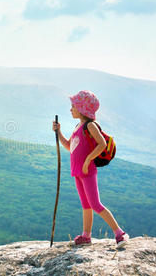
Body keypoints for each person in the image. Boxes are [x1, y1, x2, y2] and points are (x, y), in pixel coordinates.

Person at [52, 90, 129, 248]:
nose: (70, 109)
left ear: (81, 108)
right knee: (86, 205)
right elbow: (69, 146)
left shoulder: (90, 125)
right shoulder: (78, 126)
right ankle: (86, 236)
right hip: (78, 172)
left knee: (95, 204)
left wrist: (88, 160)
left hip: (87, 172)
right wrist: (58, 131)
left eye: (73, 106)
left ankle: (120, 233)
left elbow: (102, 144)